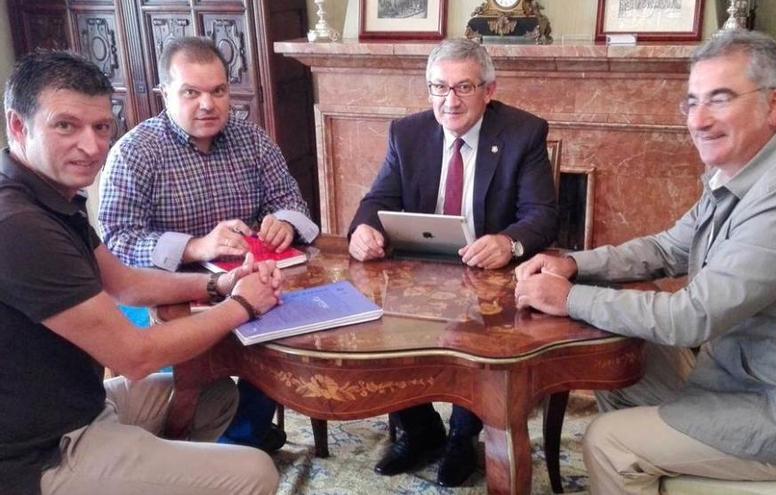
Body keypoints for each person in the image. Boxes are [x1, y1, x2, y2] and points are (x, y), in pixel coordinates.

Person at [514, 30, 776, 494]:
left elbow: (692, 317)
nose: (699, 120)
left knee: (609, 442)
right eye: (691, 102)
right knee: (612, 357)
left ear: (774, 104)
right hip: (740, 377)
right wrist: (571, 264)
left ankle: (640, 461)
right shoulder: (741, 172)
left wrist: (569, 298)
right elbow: (668, 249)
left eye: (720, 100)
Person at [0, 51, 282, 495]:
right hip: (40, 453)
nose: (92, 147)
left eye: (101, 127)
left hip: (81, 405)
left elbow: (126, 284)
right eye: (65, 126)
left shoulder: (50, 199)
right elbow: (135, 356)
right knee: (256, 472)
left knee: (216, 397)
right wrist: (242, 305)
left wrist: (219, 283)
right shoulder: (19, 226)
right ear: (19, 126)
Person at [348, 39, 558, 487]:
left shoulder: (524, 133)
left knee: (481, 335)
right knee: (382, 323)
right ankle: (422, 432)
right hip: (417, 269)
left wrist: (508, 241)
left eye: (463, 87)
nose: (450, 100)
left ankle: (464, 436)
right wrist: (363, 230)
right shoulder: (407, 133)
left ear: (489, 90)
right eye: (438, 87)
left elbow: (542, 216)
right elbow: (377, 199)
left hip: (490, 275)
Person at [99, 36, 318, 452]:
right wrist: (196, 246)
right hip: (161, 293)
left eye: (218, 91)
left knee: (287, 340)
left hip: (242, 278)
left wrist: (284, 224)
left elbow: (292, 201)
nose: (208, 104)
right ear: (165, 94)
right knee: (207, 355)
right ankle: (202, 441)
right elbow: (115, 243)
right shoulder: (135, 152)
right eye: (191, 92)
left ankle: (242, 436)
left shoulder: (250, 138)